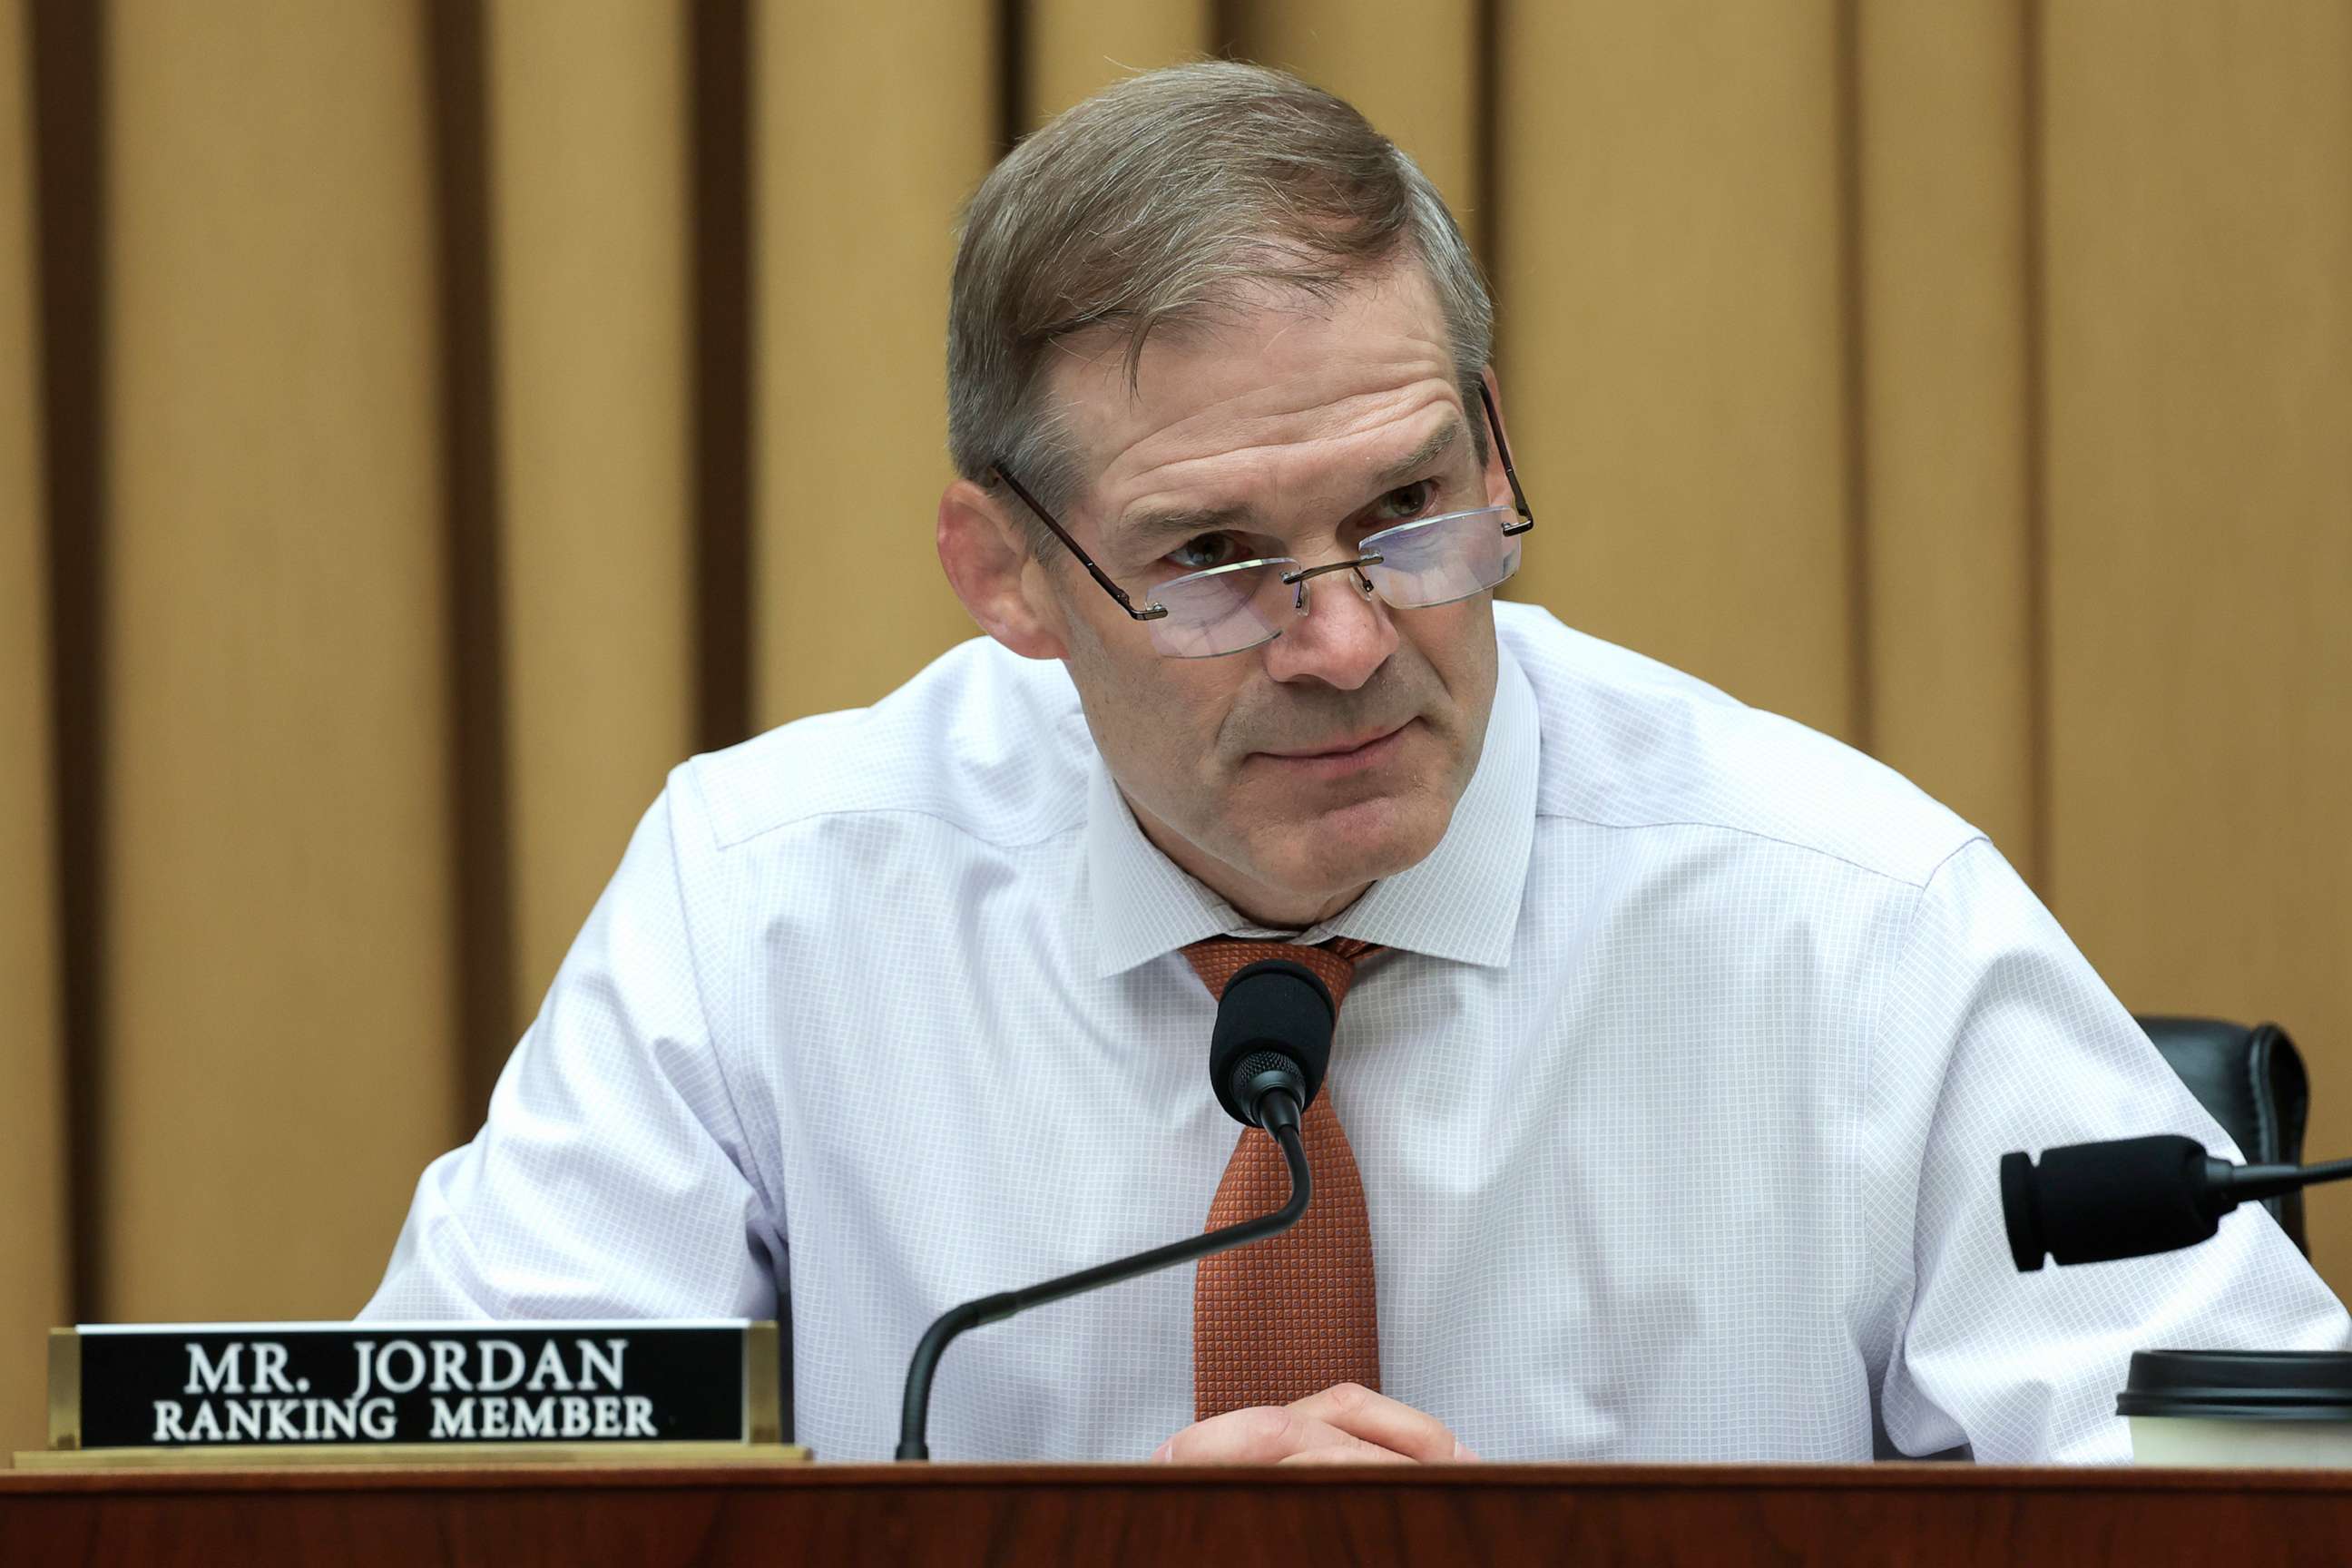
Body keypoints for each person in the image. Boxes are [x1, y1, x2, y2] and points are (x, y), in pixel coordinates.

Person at [362, 62, 2346, 1464]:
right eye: (1214, 559)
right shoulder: (770, 901)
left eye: (1411, 506)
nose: (1345, 639)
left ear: (1489, 443)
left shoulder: (1852, 925)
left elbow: (2259, 1507)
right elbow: (446, 1504)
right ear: (1005, 576)